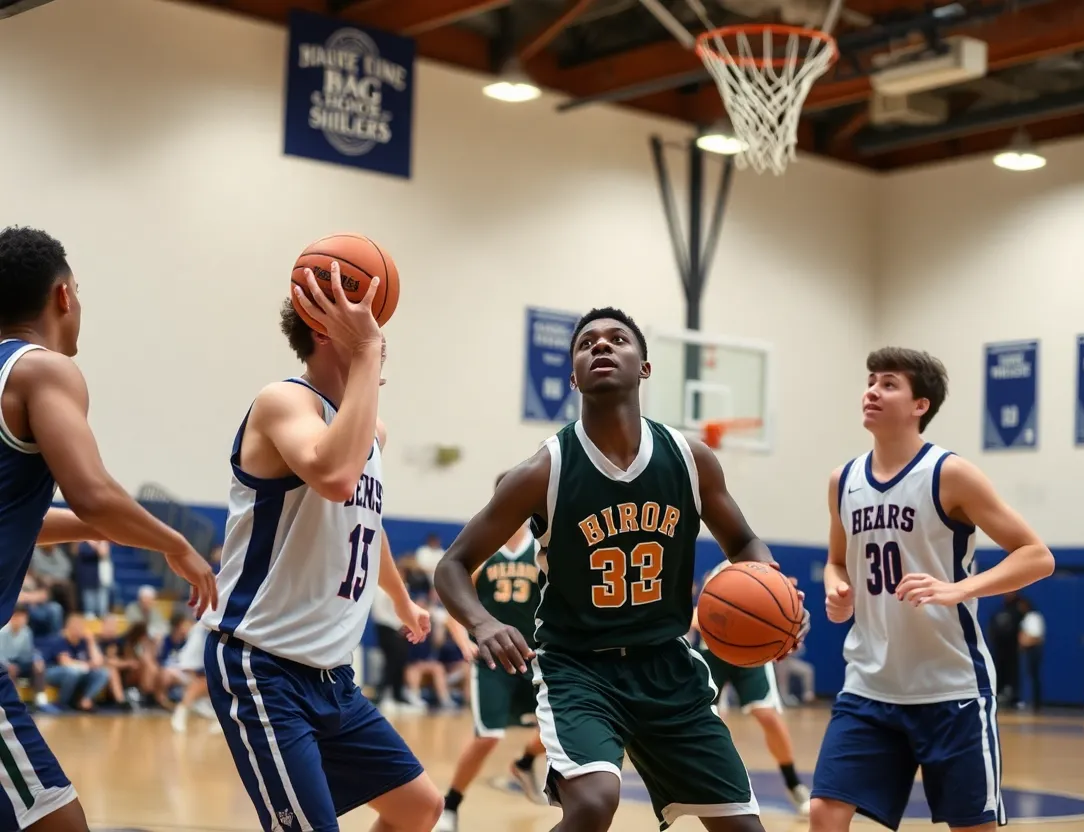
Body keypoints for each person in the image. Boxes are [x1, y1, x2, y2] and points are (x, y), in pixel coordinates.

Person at [434, 306, 808, 832]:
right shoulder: (544, 470)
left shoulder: (690, 459)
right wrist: (482, 622)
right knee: (593, 802)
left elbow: (743, 541)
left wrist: (777, 593)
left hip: (667, 666)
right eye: (586, 343)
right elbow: (452, 565)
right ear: (573, 376)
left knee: (745, 829)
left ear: (645, 367)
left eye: (617, 339)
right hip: (578, 667)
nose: (601, 346)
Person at [199, 264, 442, 832]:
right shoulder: (283, 401)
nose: (379, 335)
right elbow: (333, 477)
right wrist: (366, 354)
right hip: (262, 665)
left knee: (419, 808)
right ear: (325, 329)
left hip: (331, 675)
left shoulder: (371, 434)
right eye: (367, 322)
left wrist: (401, 599)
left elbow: (365, 523)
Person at [0, 225, 218, 830]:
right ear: (63, 295)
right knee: (59, 823)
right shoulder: (43, 371)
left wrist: (103, 530)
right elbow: (93, 494)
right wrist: (176, 543)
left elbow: (26, 518)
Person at [810, 347, 1055, 832]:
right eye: (871, 381)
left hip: (951, 687)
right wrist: (837, 591)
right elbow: (837, 562)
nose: (872, 391)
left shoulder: (949, 474)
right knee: (824, 811)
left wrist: (957, 589)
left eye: (888, 384)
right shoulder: (844, 480)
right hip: (870, 684)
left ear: (919, 405)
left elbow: (1036, 555)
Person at [434, 474, 549, 832]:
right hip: (493, 658)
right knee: (488, 736)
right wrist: (463, 640)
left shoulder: (542, 547)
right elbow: (452, 598)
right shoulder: (483, 547)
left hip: (534, 656)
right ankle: (451, 805)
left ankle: (526, 763)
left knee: (562, 726)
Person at [692, 560, 811, 817]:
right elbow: (696, 616)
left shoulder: (760, 567)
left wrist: (789, 618)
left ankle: (794, 784)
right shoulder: (717, 574)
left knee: (767, 715)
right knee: (711, 719)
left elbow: (781, 608)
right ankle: (716, 783)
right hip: (714, 651)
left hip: (749, 652)